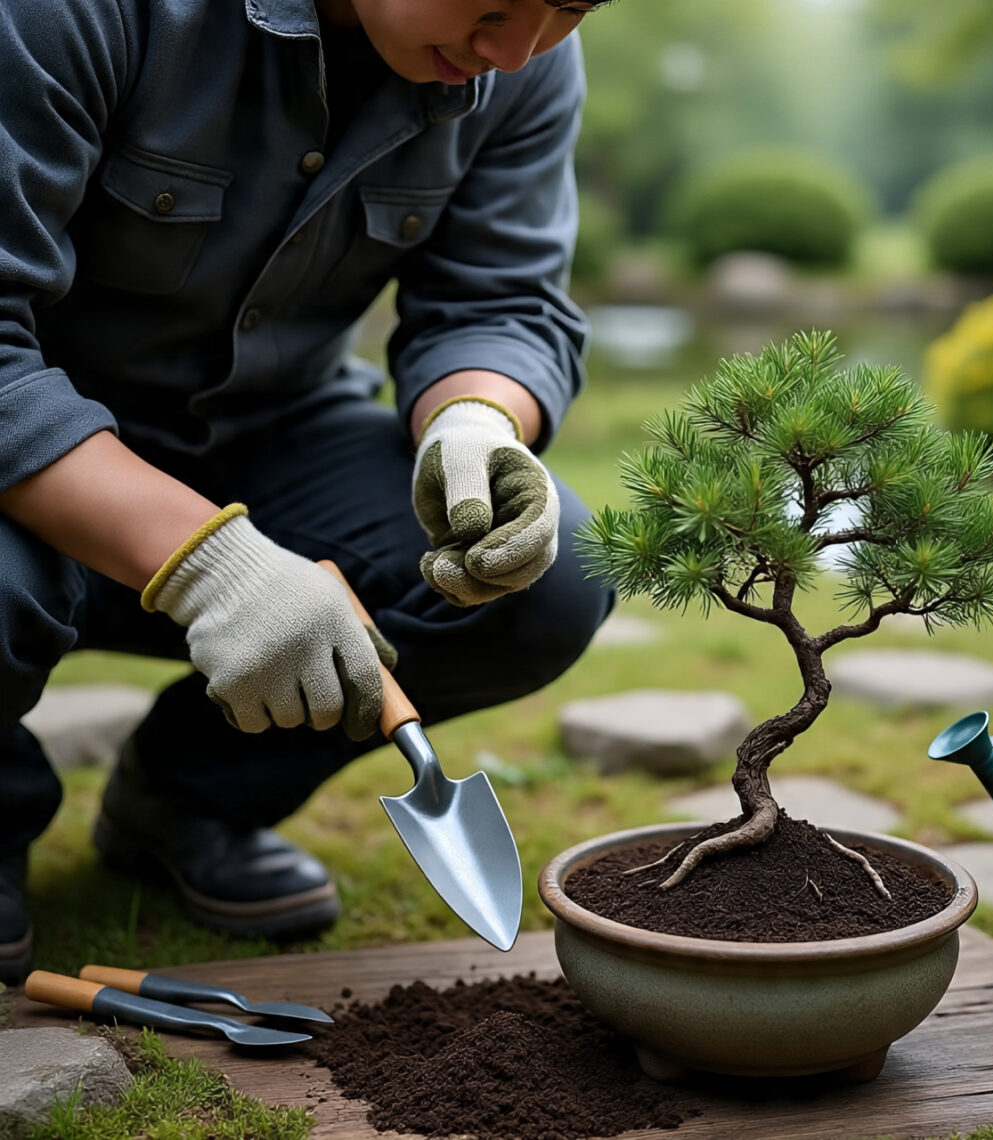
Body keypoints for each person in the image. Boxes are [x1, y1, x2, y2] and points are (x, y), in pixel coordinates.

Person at [0, 0, 616, 986]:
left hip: (270, 437)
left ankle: (186, 799)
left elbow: (499, 297)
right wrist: (205, 561)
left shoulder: (525, 60)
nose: (514, 48)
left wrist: (474, 423)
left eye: (571, 8)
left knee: (555, 575)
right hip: (28, 464)